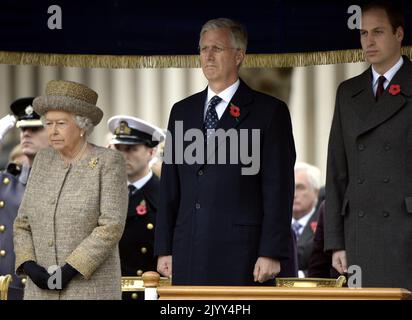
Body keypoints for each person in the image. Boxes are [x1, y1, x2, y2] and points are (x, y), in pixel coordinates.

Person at [155, 18, 296, 285]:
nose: (207, 56)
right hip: (188, 251)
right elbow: (170, 187)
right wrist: (164, 247)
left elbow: (279, 189)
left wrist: (271, 252)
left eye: (217, 48)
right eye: (203, 48)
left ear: (239, 56)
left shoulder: (270, 112)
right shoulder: (182, 111)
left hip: (243, 255)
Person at [324, 1, 412, 289]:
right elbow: (337, 170)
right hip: (360, 235)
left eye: (378, 32)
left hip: (405, 230)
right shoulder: (348, 92)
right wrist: (336, 242)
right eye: (363, 34)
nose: (369, 41)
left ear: (399, 34)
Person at [13, 80, 128, 299]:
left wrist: (70, 269)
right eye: (48, 123)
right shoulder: (43, 160)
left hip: (88, 289)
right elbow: (22, 223)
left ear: (82, 125)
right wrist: (28, 264)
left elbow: (111, 226)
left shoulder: (108, 162)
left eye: (61, 123)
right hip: (40, 291)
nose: (52, 131)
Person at [107, 115, 165, 300]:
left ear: (151, 152)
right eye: (118, 148)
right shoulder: (102, 193)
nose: (123, 155)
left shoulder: (166, 197)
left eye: (131, 148)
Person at [0, 97, 48, 300]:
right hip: (6, 290)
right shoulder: (7, 181)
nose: (26, 133)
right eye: (23, 129)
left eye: (35, 129)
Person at [292, 162, 320, 277]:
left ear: (316, 192)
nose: (293, 194)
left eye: (300, 187)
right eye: (290, 186)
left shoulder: (326, 225)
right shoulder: (273, 224)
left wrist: (301, 276)